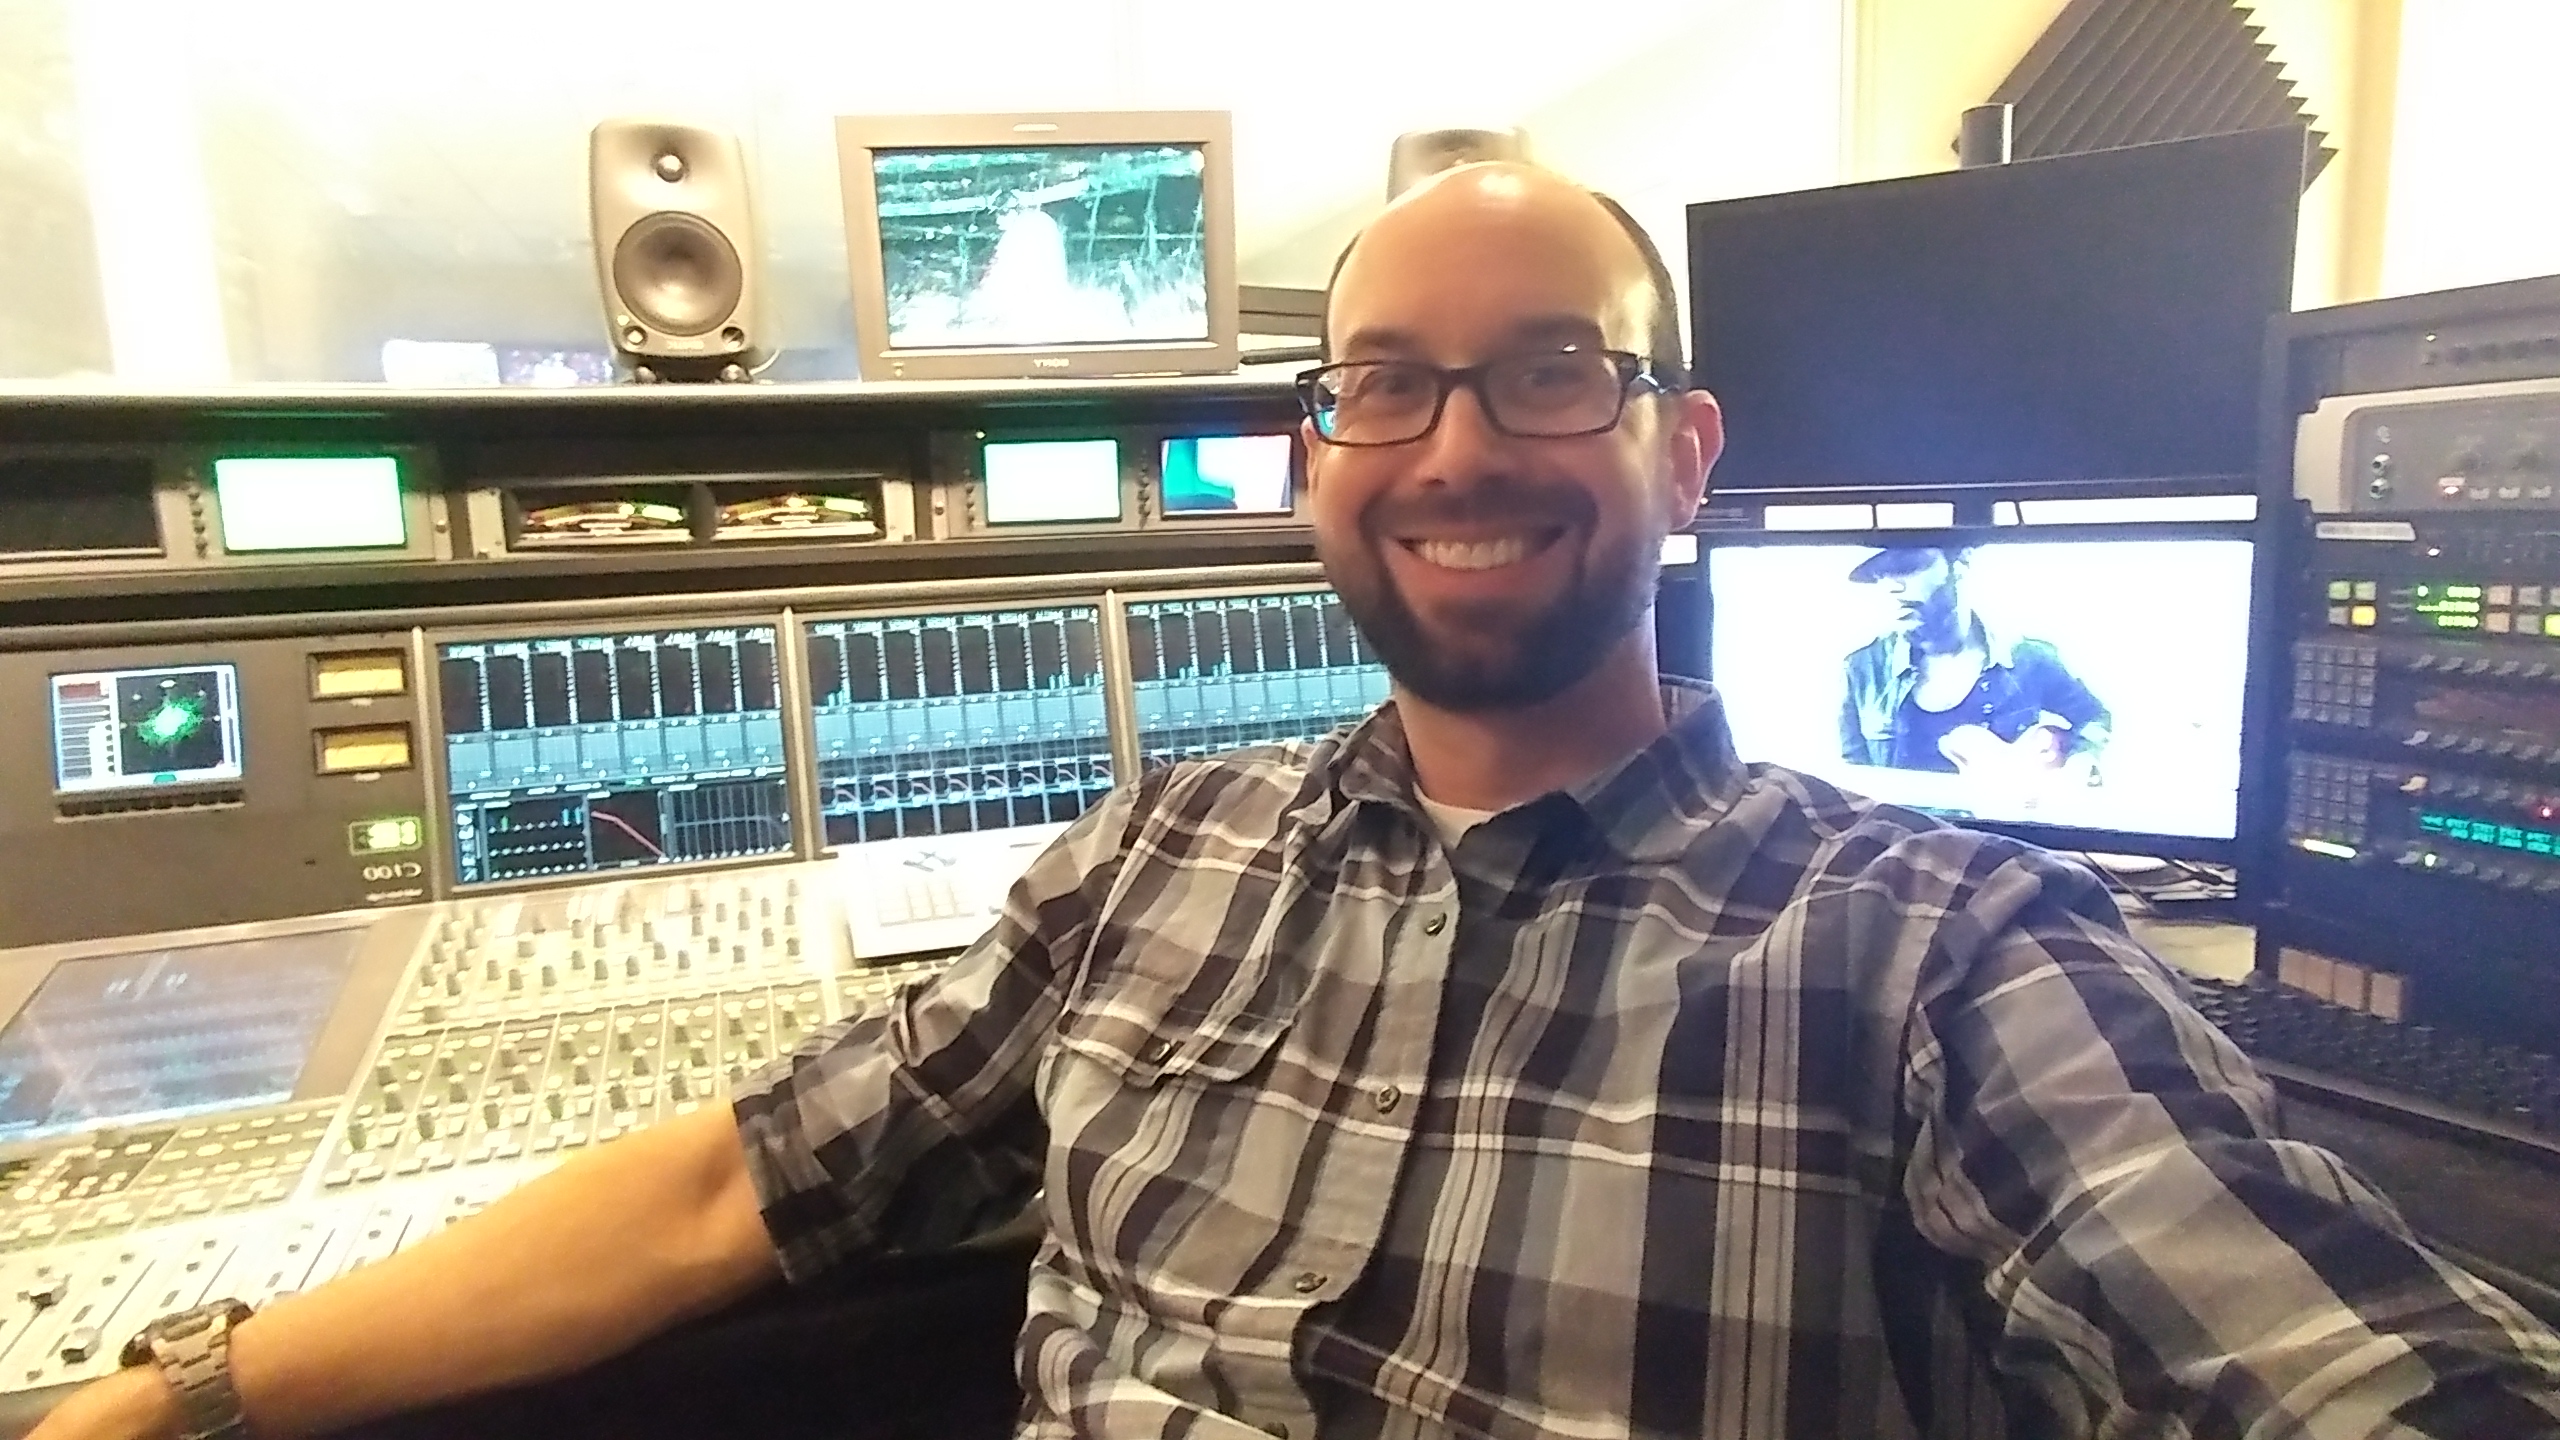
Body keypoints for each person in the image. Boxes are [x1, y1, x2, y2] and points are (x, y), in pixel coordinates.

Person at [37, 163, 2560, 1440]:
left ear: (1681, 454)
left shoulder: (1935, 947)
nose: (1457, 449)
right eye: (1383, 386)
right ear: (1309, 464)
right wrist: (177, 1390)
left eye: (1546, 374)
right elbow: (729, 1179)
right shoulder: (1159, 858)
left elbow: (2346, 1370)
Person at [1839, 546, 2111, 779]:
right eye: (1879, 575)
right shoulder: (1861, 668)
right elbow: (1853, 779)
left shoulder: (2030, 657)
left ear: (1960, 563)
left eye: (1907, 566)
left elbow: (2094, 719)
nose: (1891, 586)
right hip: (1902, 837)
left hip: (2000, 835)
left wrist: (2078, 765)